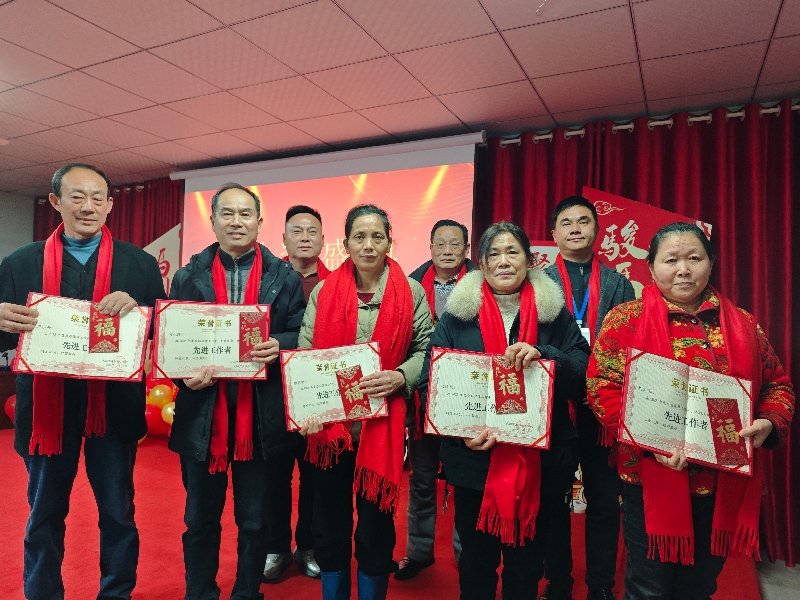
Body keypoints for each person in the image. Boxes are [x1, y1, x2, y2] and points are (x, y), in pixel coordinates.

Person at [587, 222, 794, 600]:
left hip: (720, 481)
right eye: (671, 260)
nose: (683, 269)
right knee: (648, 588)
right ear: (651, 268)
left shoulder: (744, 323)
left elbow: (777, 386)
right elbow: (603, 386)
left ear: (710, 263)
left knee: (699, 587)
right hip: (650, 477)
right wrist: (649, 441)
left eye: (694, 258)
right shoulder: (626, 319)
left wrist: (767, 422)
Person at [0, 163, 166, 600]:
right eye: (77, 196)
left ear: (110, 205)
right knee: (44, 513)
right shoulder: (19, 263)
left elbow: (163, 332)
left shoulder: (139, 264)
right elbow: (4, 338)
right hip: (45, 410)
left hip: (113, 407)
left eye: (97, 198)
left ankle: (117, 592)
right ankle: (42, 592)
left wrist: (139, 310)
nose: (88, 206)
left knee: (118, 512)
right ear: (57, 202)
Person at [418, 221, 590, 600]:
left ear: (529, 260)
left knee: (526, 568)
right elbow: (431, 382)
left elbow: (583, 373)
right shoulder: (457, 316)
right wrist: (460, 431)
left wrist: (546, 355)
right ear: (481, 263)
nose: (503, 261)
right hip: (473, 464)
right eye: (493, 254)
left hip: (541, 465)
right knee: (476, 566)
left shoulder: (553, 313)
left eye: (513, 252)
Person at [168, 182, 306, 600]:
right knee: (199, 519)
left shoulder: (285, 277)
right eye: (226, 213)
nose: (236, 222)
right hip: (202, 416)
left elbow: (301, 333)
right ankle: (200, 592)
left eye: (245, 214)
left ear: (260, 222)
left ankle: (247, 592)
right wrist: (181, 377)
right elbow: (172, 340)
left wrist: (279, 345)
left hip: (260, 418)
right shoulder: (187, 276)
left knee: (255, 520)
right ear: (212, 221)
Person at [299, 204, 434, 600]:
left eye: (378, 236)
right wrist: (307, 407)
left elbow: (427, 350)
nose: (369, 245)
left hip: (382, 427)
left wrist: (401, 376)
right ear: (346, 244)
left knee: (376, 528)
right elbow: (305, 355)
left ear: (390, 241)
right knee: (329, 525)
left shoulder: (410, 292)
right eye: (359, 236)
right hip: (331, 432)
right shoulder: (324, 292)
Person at [540, 196, 635, 600]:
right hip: (555, 409)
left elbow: (629, 344)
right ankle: (558, 581)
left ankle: (601, 585)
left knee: (604, 503)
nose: (576, 228)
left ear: (597, 230)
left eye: (583, 221)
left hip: (602, 412)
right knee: (552, 502)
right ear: (554, 233)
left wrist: (602, 389)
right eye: (567, 222)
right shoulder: (539, 282)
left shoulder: (618, 284)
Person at [397, 219, 477, 580]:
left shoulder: (482, 284)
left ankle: (467, 552)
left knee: (465, 480)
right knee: (422, 478)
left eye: (455, 244)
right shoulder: (410, 285)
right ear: (430, 248)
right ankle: (418, 552)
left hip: (467, 394)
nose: (447, 250)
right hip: (423, 395)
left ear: (466, 249)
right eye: (440, 244)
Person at [263, 205, 328, 580]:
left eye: (312, 231)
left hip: (318, 397)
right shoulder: (267, 280)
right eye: (297, 231)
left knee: (315, 477)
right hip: (274, 393)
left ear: (323, 240)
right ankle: (275, 547)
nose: (305, 237)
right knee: (274, 476)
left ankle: (308, 546)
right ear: (284, 238)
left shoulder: (336, 282)